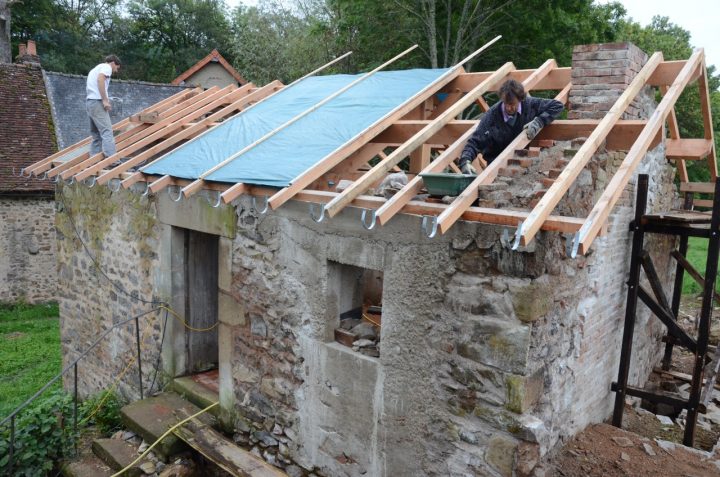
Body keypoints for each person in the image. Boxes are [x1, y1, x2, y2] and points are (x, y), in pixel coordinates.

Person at [458, 79, 563, 174]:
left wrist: (539, 121)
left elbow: (557, 106)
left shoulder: (530, 104)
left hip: (523, 163)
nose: (508, 108)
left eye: (512, 104)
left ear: (520, 99)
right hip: (496, 166)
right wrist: (465, 161)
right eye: (505, 103)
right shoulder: (492, 115)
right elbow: (475, 141)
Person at [86, 55, 121, 158]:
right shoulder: (107, 67)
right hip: (97, 102)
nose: (116, 71)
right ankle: (112, 160)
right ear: (113, 63)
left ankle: (94, 159)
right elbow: (100, 79)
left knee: (96, 134)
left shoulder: (95, 68)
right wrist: (105, 100)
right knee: (107, 132)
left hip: (90, 102)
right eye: (117, 68)